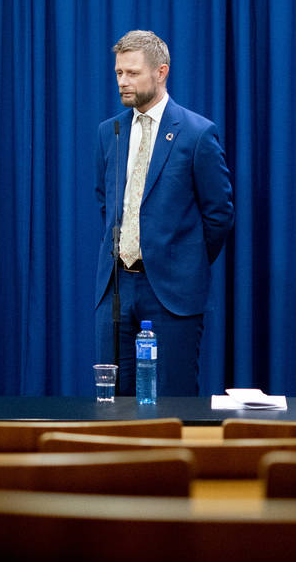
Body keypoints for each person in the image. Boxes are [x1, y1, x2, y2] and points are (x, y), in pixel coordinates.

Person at [95, 30, 233, 397]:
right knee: (113, 407)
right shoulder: (111, 132)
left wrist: (184, 259)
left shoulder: (197, 133)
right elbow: (107, 203)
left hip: (173, 289)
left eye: (133, 73)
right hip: (117, 287)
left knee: (174, 400)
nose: (123, 81)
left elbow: (218, 214)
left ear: (161, 72)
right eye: (119, 72)